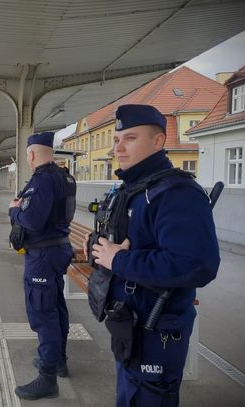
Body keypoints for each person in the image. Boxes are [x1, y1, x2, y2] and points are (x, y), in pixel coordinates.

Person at [84, 104, 220, 406]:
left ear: (158, 142)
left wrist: (118, 260)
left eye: (129, 138)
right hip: (128, 324)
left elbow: (196, 264)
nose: (118, 148)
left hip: (155, 330)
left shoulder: (177, 194)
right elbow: (126, 240)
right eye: (116, 139)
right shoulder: (131, 188)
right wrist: (99, 249)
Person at [8, 131, 77, 400]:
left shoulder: (42, 180)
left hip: (43, 255)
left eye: (27, 155)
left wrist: (15, 209)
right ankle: (58, 361)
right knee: (56, 306)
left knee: (43, 313)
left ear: (32, 154)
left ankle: (48, 377)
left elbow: (32, 220)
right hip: (58, 247)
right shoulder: (63, 177)